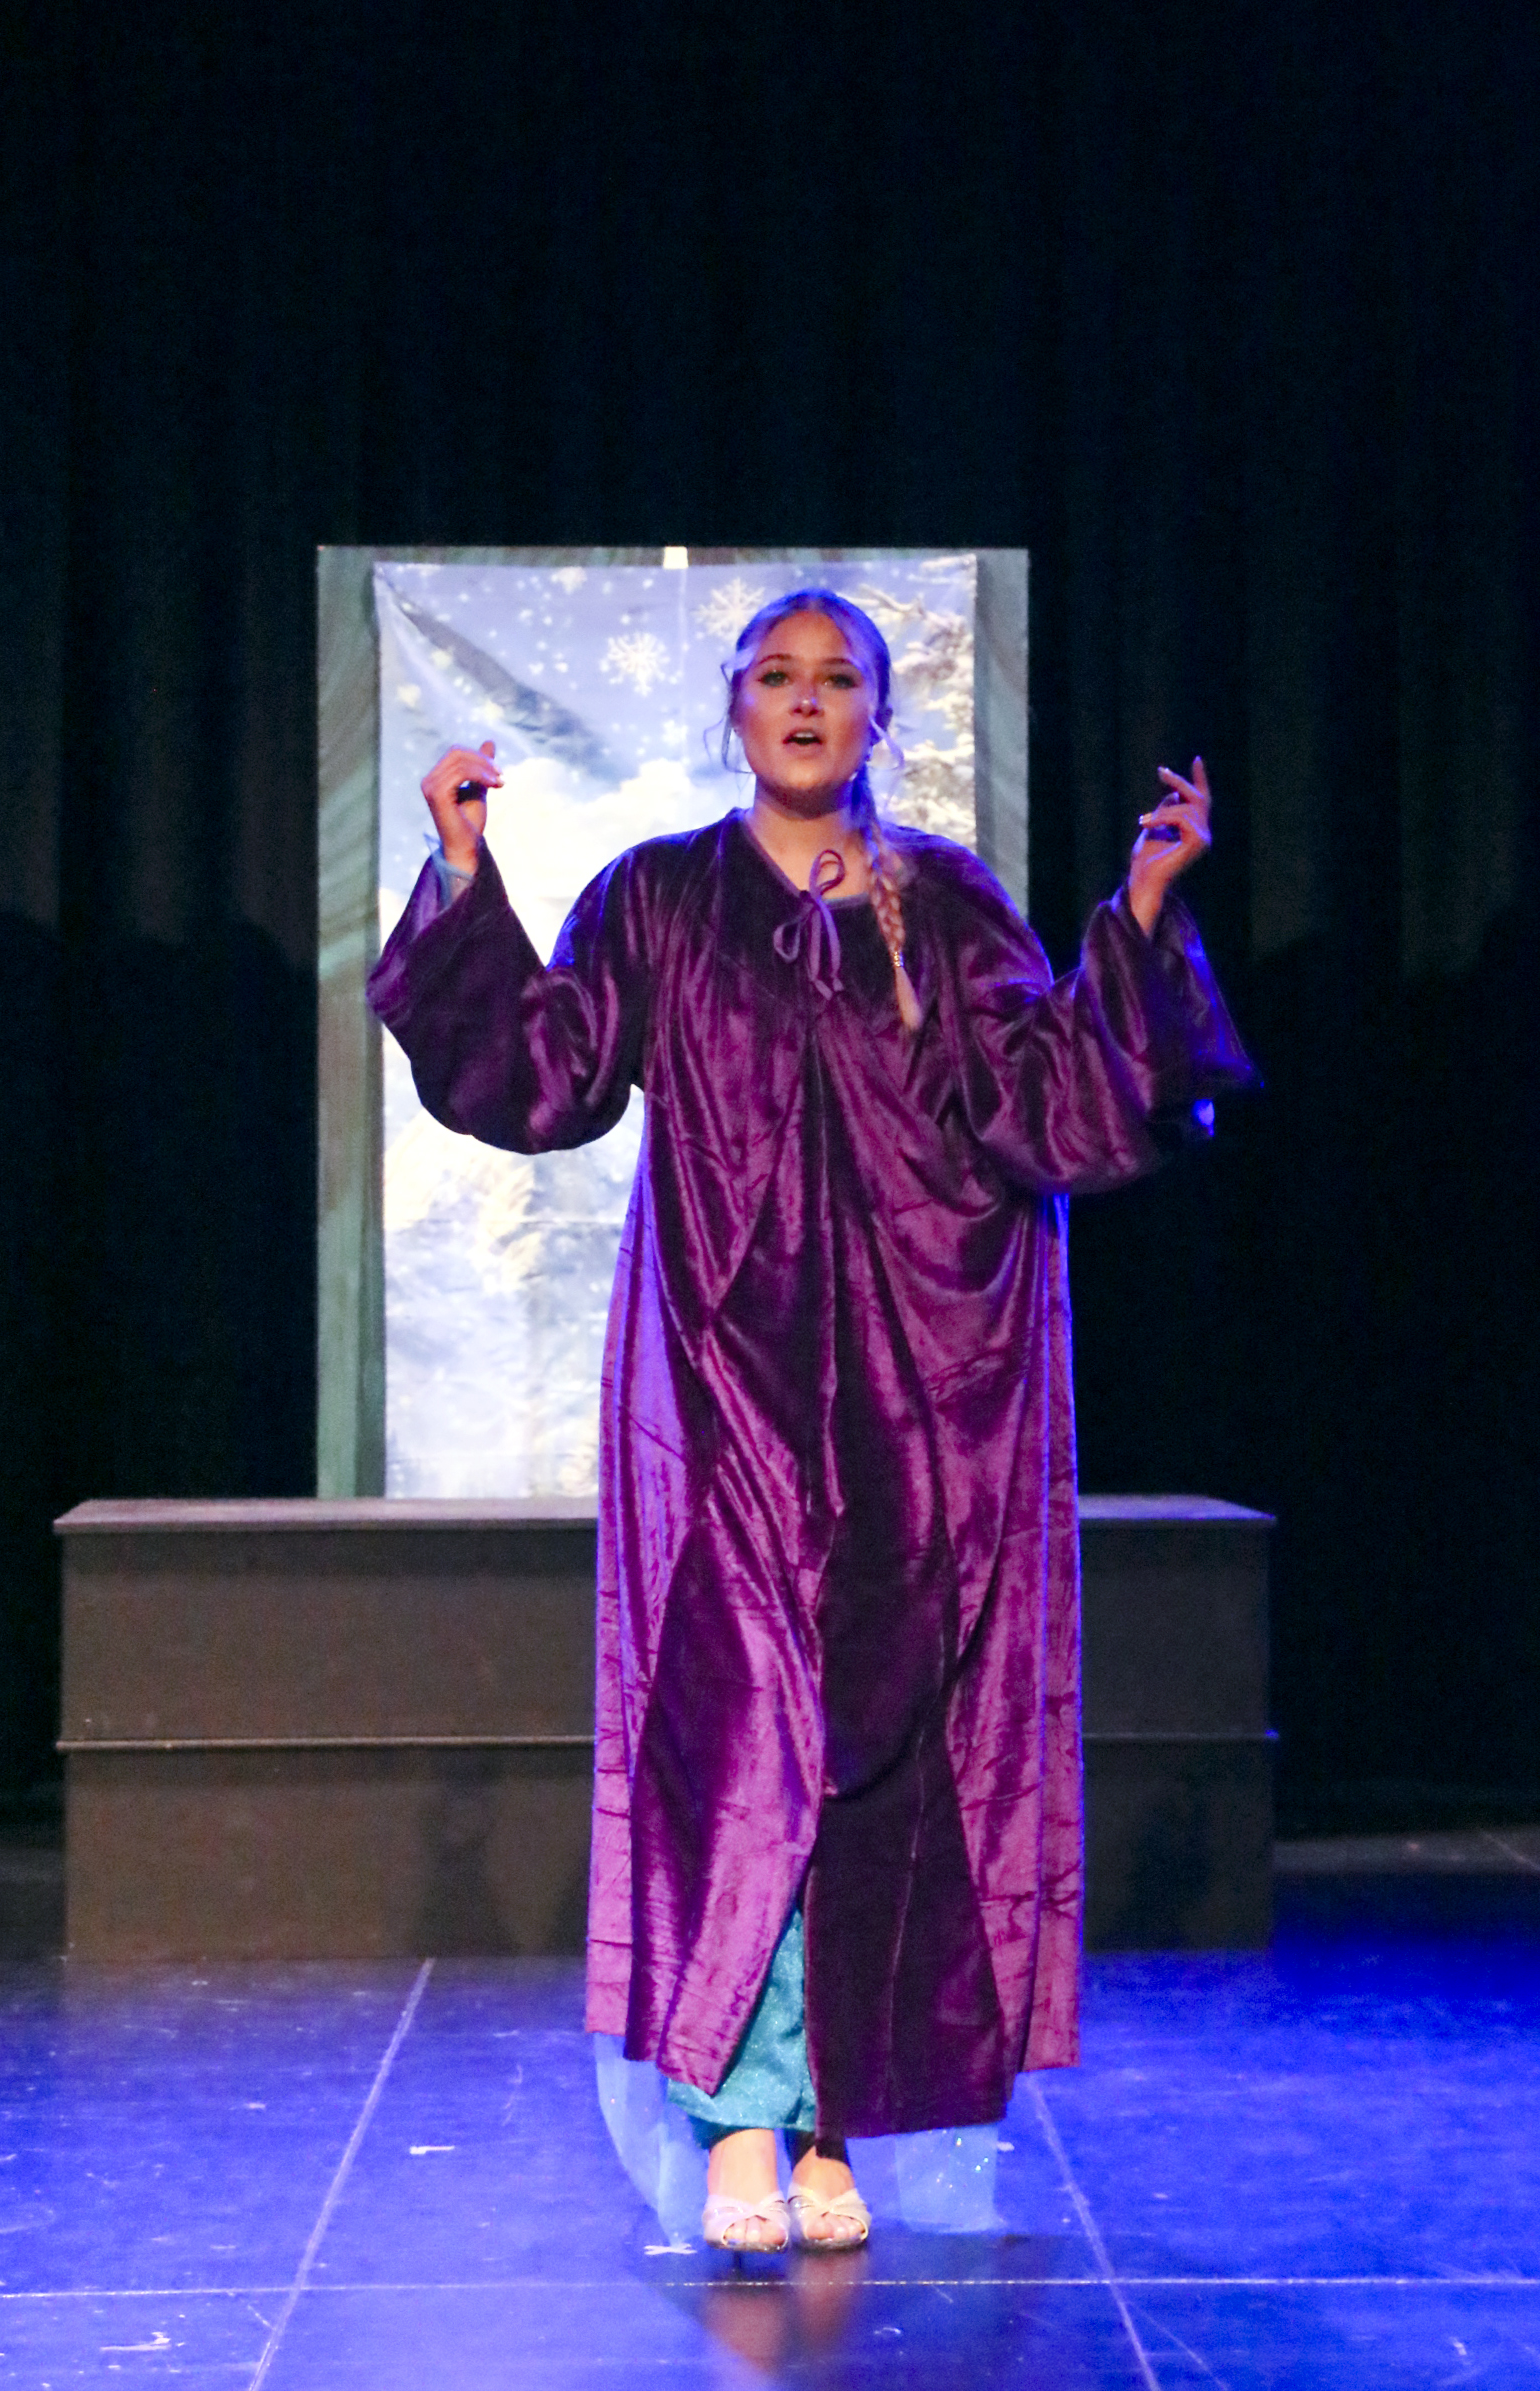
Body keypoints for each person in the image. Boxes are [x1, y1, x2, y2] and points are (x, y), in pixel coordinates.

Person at [368, 589, 1253, 2254]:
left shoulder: (946, 903)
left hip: (924, 1401)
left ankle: (834, 2118)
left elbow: (1046, 1106)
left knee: (876, 1754)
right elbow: (544, 1077)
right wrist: (465, 877)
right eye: (773, 675)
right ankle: (738, 2120)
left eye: (836, 679)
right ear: (732, 709)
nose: (802, 700)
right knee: (737, 1743)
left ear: (875, 719)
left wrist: (1138, 908)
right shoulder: (659, 897)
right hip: (726, 1396)